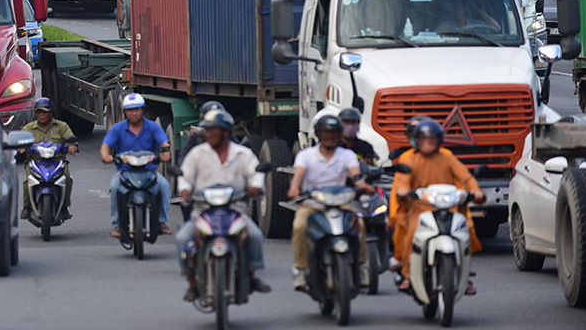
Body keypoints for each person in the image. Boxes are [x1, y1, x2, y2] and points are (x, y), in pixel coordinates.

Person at [175, 109, 270, 301]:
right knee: (182, 238)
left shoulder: (243, 154)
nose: (208, 134)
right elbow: (185, 175)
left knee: (255, 235)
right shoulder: (197, 154)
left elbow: (255, 173)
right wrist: (184, 190)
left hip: (235, 210)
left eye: (213, 130)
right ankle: (192, 283)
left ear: (226, 132)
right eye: (207, 130)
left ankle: (252, 275)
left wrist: (255, 187)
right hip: (203, 211)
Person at [392, 117, 484, 294]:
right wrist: (404, 191)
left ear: (439, 141)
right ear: (416, 141)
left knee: (463, 230)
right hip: (420, 207)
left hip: (447, 206)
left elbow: (466, 177)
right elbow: (402, 182)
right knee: (412, 232)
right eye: (424, 140)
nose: (428, 144)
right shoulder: (410, 160)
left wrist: (476, 191)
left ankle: (464, 275)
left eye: (432, 140)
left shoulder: (447, 157)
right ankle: (408, 273)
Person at [287, 114, 373, 291]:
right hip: (313, 203)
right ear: (319, 135)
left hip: (342, 202)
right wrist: (294, 188)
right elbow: (299, 176)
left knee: (361, 224)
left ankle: (361, 266)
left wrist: (362, 184)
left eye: (334, 133)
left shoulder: (347, 155)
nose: (330, 137)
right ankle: (301, 269)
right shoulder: (306, 155)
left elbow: (355, 174)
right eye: (326, 133)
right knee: (299, 225)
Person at [100, 93, 172, 237]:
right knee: (114, 188)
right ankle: (117, 225)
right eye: (130, 110)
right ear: (125, 112)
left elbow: (164, 143)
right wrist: (107, 156)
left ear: (143, 110)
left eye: (137, 109)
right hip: (125, 172)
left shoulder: (153, 127)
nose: (134, 113)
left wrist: (165, 154)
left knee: (164, 186)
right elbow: (105, 146)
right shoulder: (117, 128)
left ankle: (161, 222)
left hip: (149, 171)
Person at [20, 97, 78, 220]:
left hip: (58, 161)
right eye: (39, 112)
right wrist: (21, 148)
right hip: (35, 161)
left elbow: (71, 139)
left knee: (67, 178)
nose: (42, 115)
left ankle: (64, 207)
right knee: (27, 181)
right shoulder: (29, 128)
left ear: (51, 113)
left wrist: (72, 146)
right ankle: (26, 207)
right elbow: (21, 141)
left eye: (45, 112)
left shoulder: (61, 126)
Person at [177, 100, 225, 222]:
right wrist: (183, 172)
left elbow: (244, 159)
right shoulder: (196, 138)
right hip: (201, 182)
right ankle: (188, 223)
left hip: (225, 183)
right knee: (183, 237)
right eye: (210, 125)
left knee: (253, 235)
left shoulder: (231, 141)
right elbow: (184, 157)